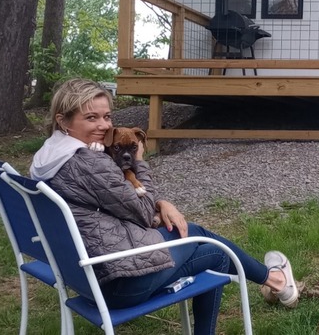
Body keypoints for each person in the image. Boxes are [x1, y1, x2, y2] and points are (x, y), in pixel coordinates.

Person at [30, 78, 298, 335]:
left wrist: (159, 202)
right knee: (206, 241)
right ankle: (275, 280)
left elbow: (112, 201)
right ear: (63, 121)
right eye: (91, 118)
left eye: (107, 116)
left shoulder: (48, 156)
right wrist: (141, 162)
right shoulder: (88, 163)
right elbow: (144, 214)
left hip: (82, 275)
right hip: (117, 282)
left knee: (211, 251)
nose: (103, 125)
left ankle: (273, 280)